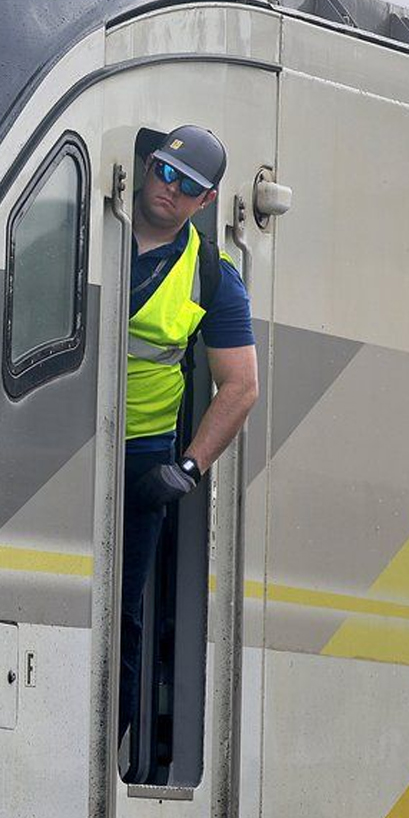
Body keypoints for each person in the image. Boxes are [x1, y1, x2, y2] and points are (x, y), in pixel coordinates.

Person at [120, 125, 259, 776]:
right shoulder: (92, 234)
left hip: (142, 461)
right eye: (164, 174)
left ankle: (100, 752)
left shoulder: (212, 275)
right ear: (147, 168)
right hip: (52, 435)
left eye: (189, 188)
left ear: (206, 204)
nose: (169, 192)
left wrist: (187, 468)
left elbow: (241, 386)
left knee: (120, 617)